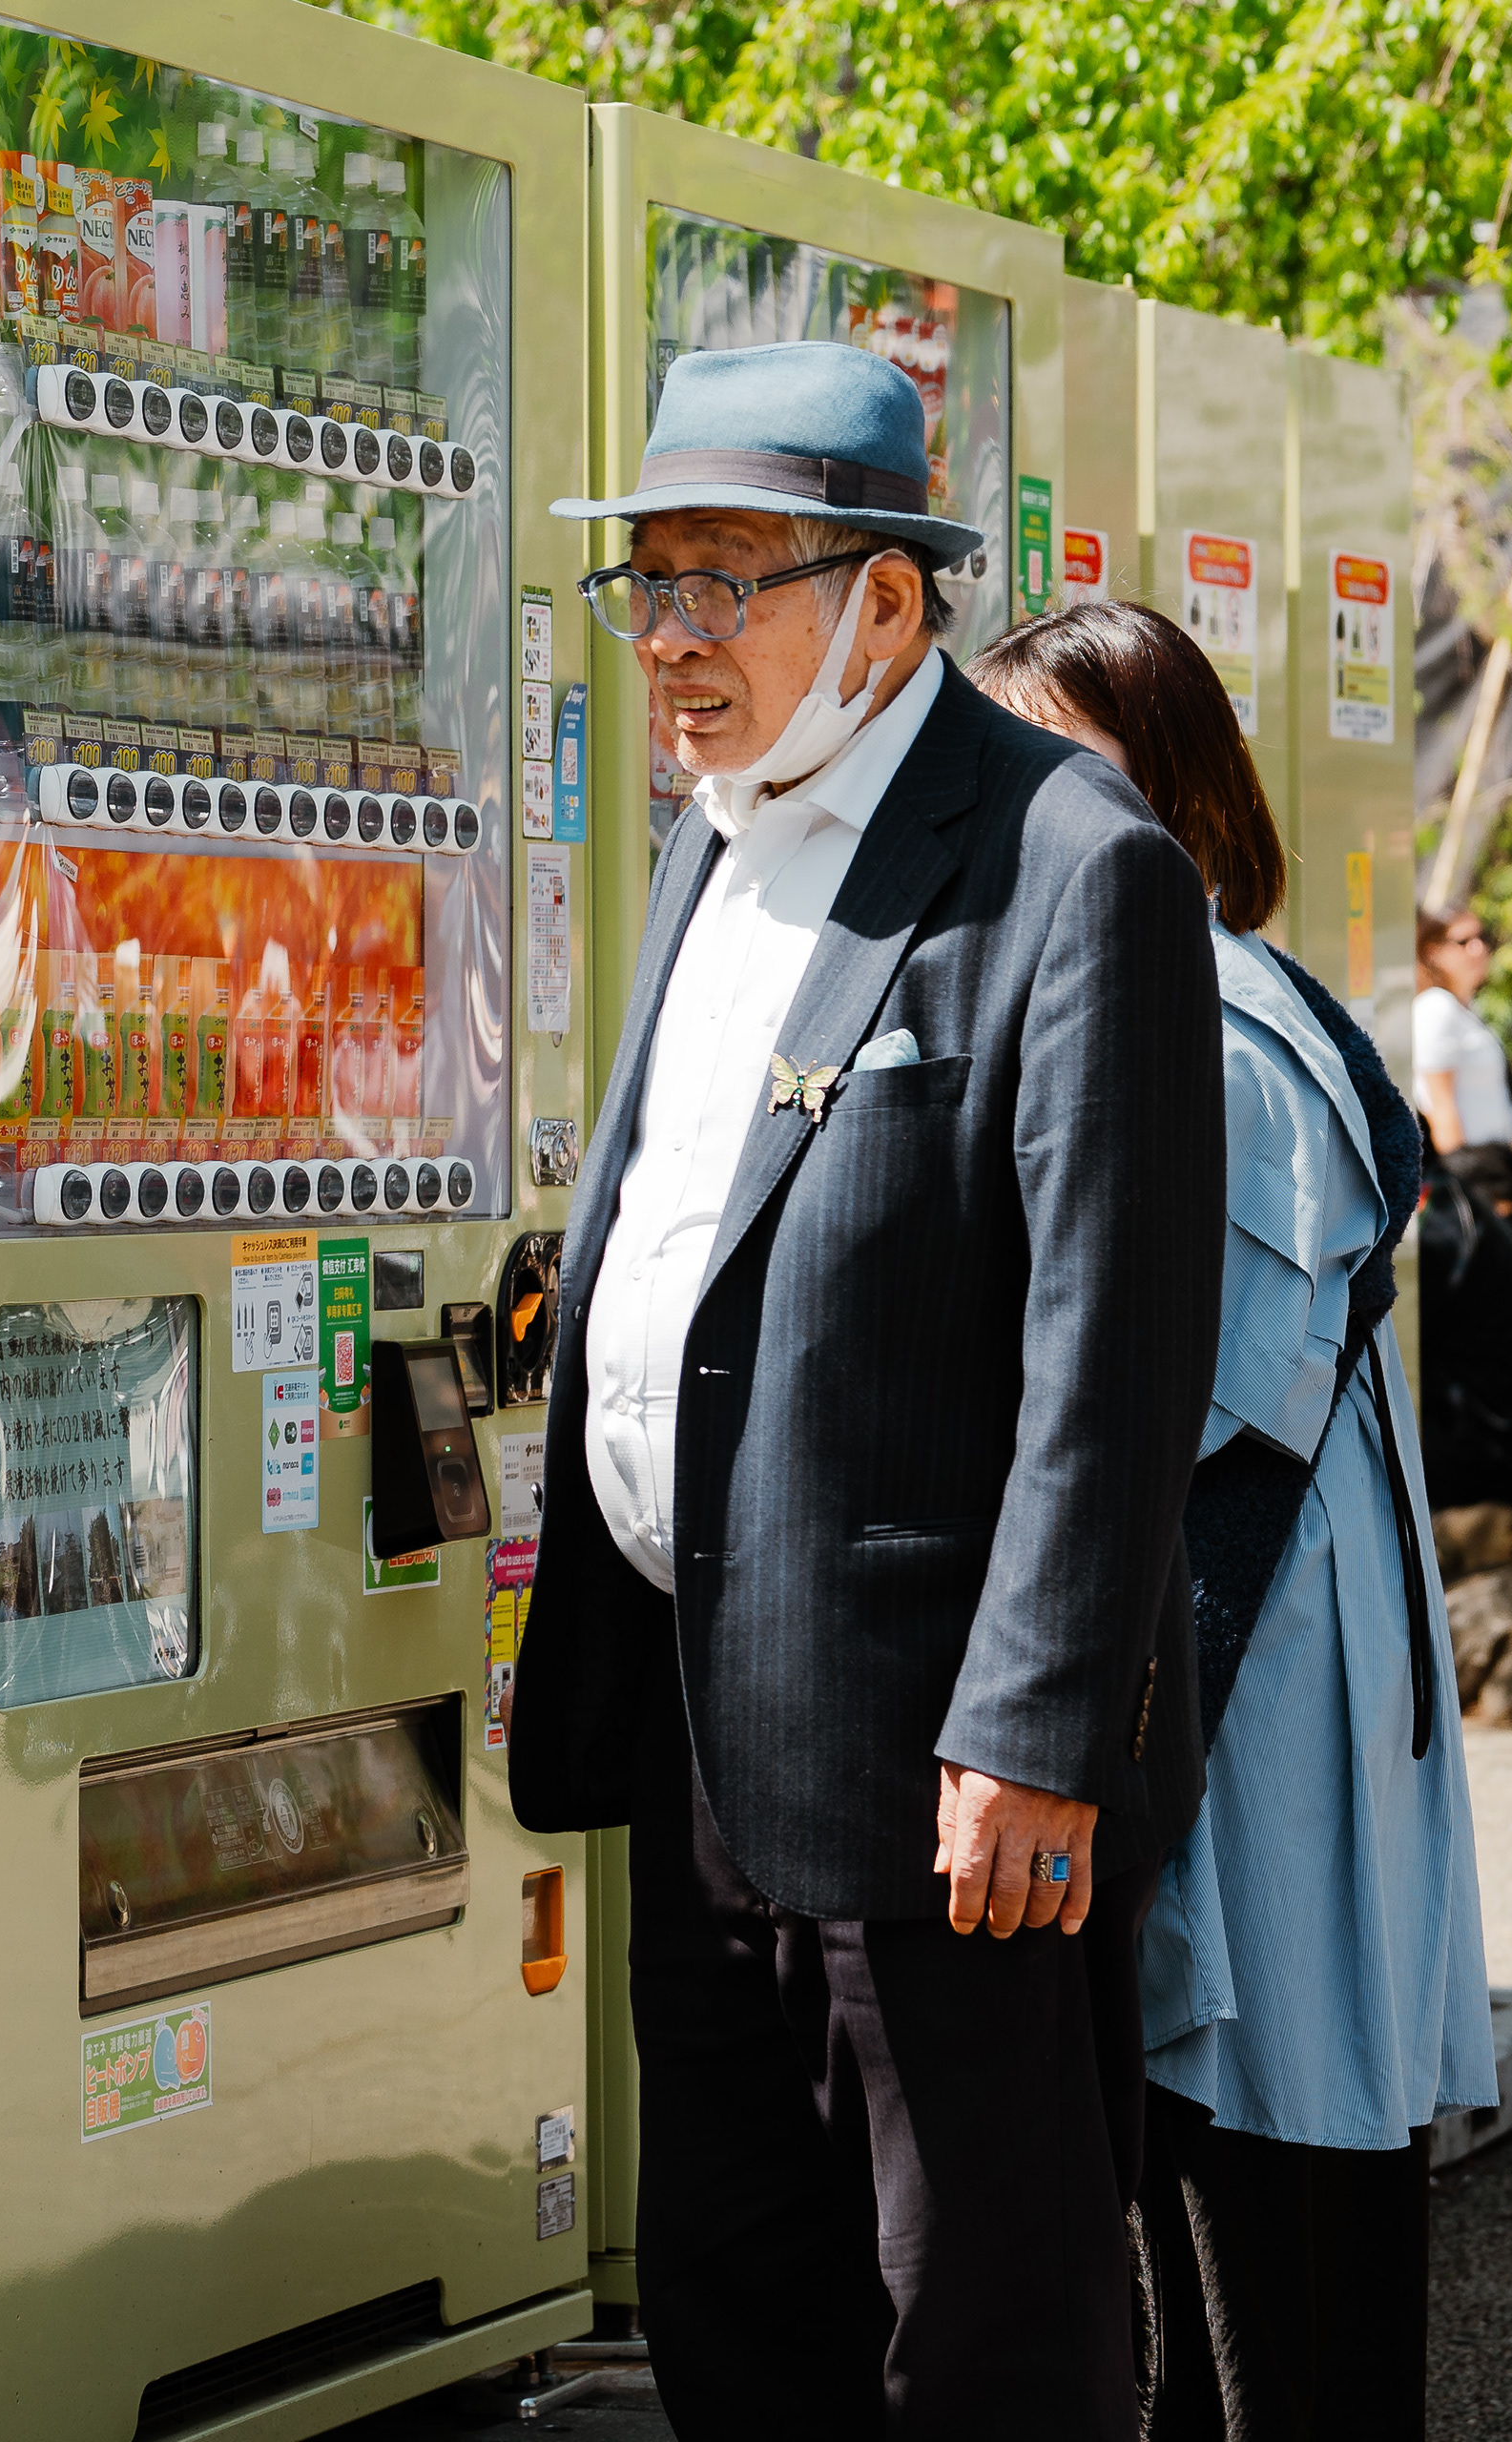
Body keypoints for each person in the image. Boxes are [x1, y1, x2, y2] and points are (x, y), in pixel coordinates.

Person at [516, 342, 1222, 2437]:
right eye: (644, 586)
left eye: (722, 584)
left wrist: (1035, 1727)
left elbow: (1116, 1344)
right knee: (737, 2292)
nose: (670, 640)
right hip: (696, 1711)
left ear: (888, 601)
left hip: (944, 1768)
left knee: (980, 2319)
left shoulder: (1071, 863)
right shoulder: (714, 842)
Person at [974, 602, 1492, 2439]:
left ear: (1175, 785)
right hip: (1270, 1648)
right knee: (1267, 2147)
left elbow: (1183, 1404)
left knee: (1246, 2141)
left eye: (1061, 760)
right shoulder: (1217, 988)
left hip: (1245, 1664)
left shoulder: (1202, 1020)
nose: (1020, 801)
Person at [1413, 906, 1512, 1188]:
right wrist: (1464, 1184)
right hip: (1470, 1175)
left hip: (1494, 1168)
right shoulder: (1436, 1008)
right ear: (1432, 952)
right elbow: (1440, 1108)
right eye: (1463, 942)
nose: (1478, 949)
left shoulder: (1465, 1009)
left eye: (1482, 938)